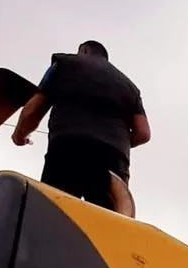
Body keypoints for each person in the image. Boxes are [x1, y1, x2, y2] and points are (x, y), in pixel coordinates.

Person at [12, 41, 150, 212]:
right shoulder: (130, 88)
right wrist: (115, 139)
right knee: (107, 225)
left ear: (84, 51)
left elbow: (33, 110)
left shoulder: (64, 63)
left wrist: (19, 135)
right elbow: (143, 133)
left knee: (54, 216)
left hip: (69, 150)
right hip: (114, 161)